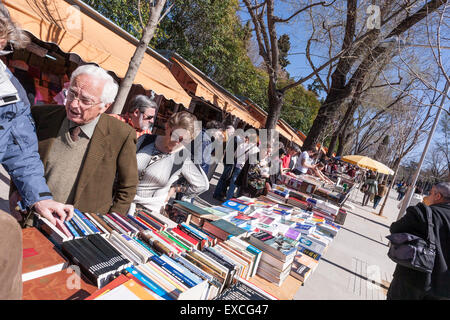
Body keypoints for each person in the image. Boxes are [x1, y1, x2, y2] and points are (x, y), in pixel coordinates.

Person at [10, 64, 139, 216]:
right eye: (71, 93)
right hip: (32, 214)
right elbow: (20, 158)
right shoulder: (41, 116)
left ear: (105, 106)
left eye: (85, 100)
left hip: (81, 227)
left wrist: (110, 223)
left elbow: (127, 187)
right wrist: (15, 192)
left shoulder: (121, 134)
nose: (73, 104)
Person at [130, 111, 209, 215]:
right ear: (167, 127)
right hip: (120, 199)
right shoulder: (146, 139)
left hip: (146, 212)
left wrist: (175, 189)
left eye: (183, 139)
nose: (177, 141)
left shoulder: (184, 157)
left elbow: (202, 185)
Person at [387, 182, 450, 300]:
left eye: (430, 193)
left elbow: (395, 229)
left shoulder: (423, 212)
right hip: (444, 291)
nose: (427, 196)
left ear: (438, 196)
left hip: (411, 281)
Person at [212, 124, 242, 201]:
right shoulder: (234, 139)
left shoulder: (231, 138)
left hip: (227, 160)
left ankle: (218, 193)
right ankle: (218, 194)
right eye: (231, 131)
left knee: (224, 178)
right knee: (224, 178)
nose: (231, 133)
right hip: (229, 161)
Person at [226, 133, 258, 200]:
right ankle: (237, 199)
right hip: (245, 168)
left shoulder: (241, 145)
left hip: (238, 165)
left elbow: (235, 155)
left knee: (233, 182)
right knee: (241, 184)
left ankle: (228, 198)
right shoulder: (255, 149)